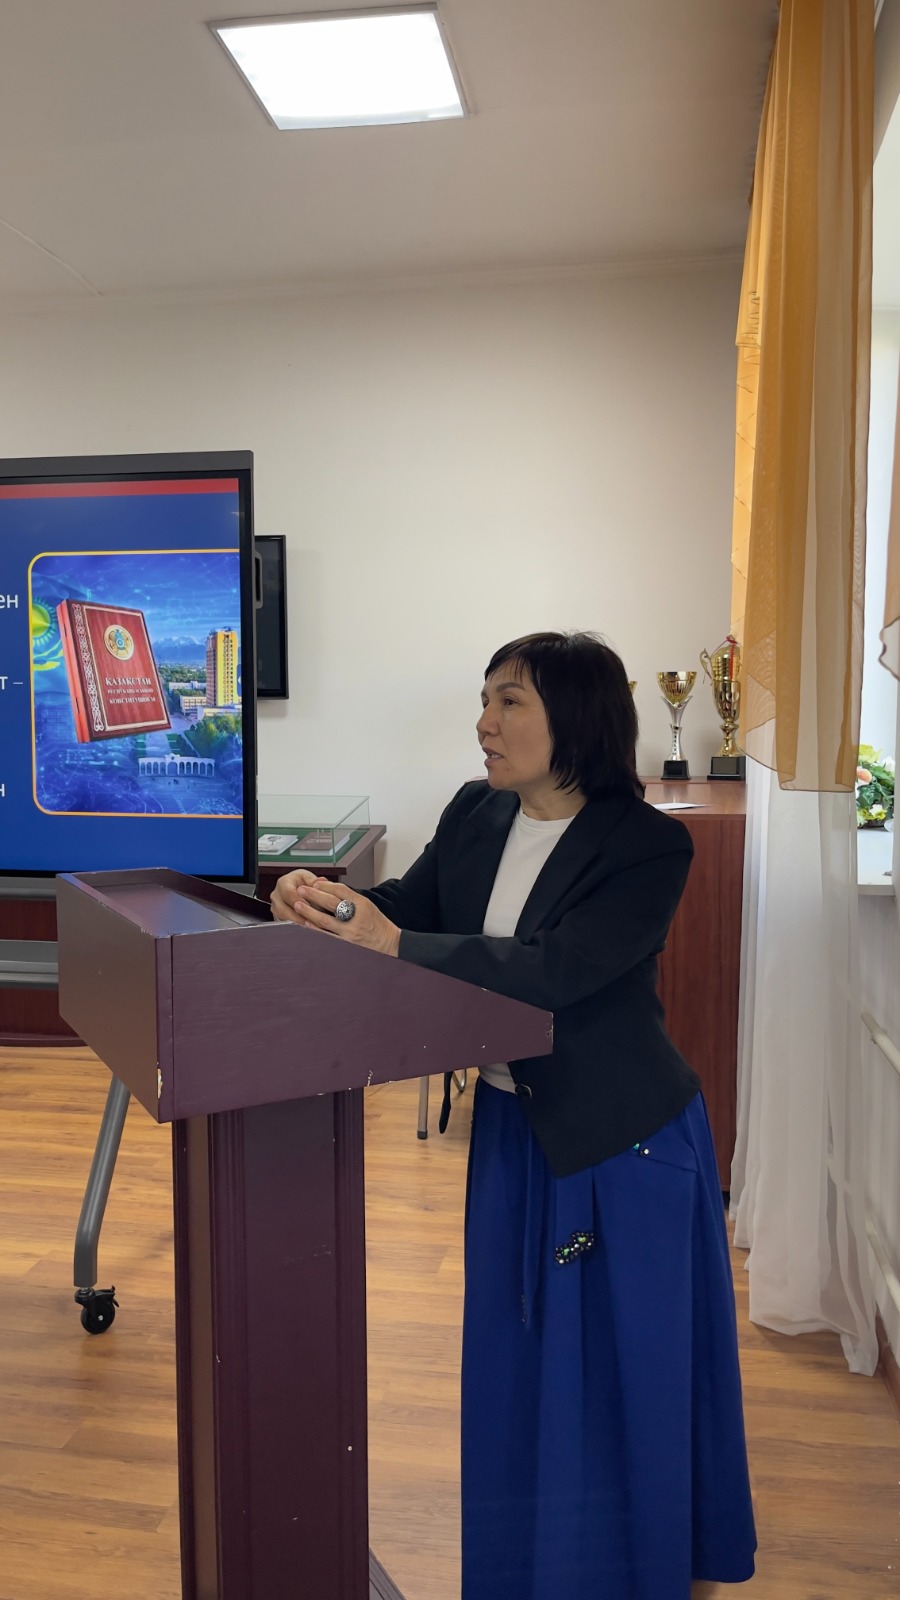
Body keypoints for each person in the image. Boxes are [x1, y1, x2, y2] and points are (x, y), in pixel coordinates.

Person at [271, 630, 757, 1600]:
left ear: (572, 717)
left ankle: (641, 1569)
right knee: (517, 1360)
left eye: (509, 701)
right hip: (511, 1129)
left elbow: (556, 971)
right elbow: (408, 909)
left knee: (626, 1369)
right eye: (486, 700)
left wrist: (391, 940)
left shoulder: (647, 844)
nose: (484, 724)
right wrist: (322, 900)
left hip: (621, 1139)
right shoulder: (476, 811)